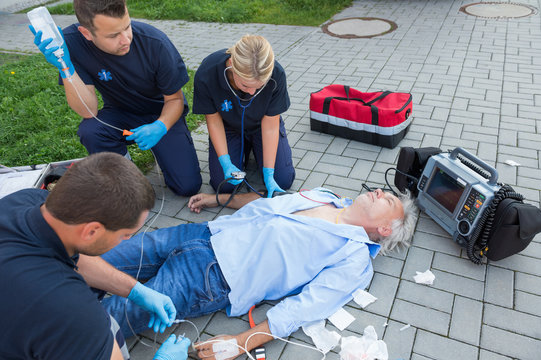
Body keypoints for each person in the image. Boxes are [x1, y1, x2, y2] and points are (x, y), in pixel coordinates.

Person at [100, 187, 417, 358]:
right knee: (99, 259)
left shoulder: (354, 259)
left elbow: (305, 307)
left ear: (385, 227)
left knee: (107, 319)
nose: (378, 191)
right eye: (382, 190)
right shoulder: (326, 196)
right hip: (203, 233)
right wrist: (218, 199)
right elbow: (267, 204)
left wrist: (241, 342)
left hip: (212, 277)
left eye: (387, 199)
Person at [0, 152, 190, 360]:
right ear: (91, 231)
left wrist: (135, 290)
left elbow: (75, 256)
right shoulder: (72, 313)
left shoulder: (27, 201)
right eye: (125, 234)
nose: (127, 239)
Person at [30, 0, 201, 196]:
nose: (126, 39)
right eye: (113, 35)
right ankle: (125, 178)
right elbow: (88, 111)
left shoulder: (154, 43)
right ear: (86, 33)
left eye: (127, 27)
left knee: (187, 187)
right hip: (120, 113)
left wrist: (160, 126)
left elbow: (175, 100)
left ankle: (165, 150)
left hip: (162, 114)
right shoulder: (70, 44)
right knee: (91, 130)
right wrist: (65, 67)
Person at [193, 34, 295, 198]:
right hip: (228, 127)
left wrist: (269, 173)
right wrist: (225, 162)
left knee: (282, 181)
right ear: (232, 65)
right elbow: (214, 122)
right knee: (224, 185)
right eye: (245, 85)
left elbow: (270, 126)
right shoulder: (208, 73)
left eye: (258, 87)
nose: (252, 93)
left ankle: (253, 147)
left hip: (262, 127)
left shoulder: (276, 74)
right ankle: (244, 148)